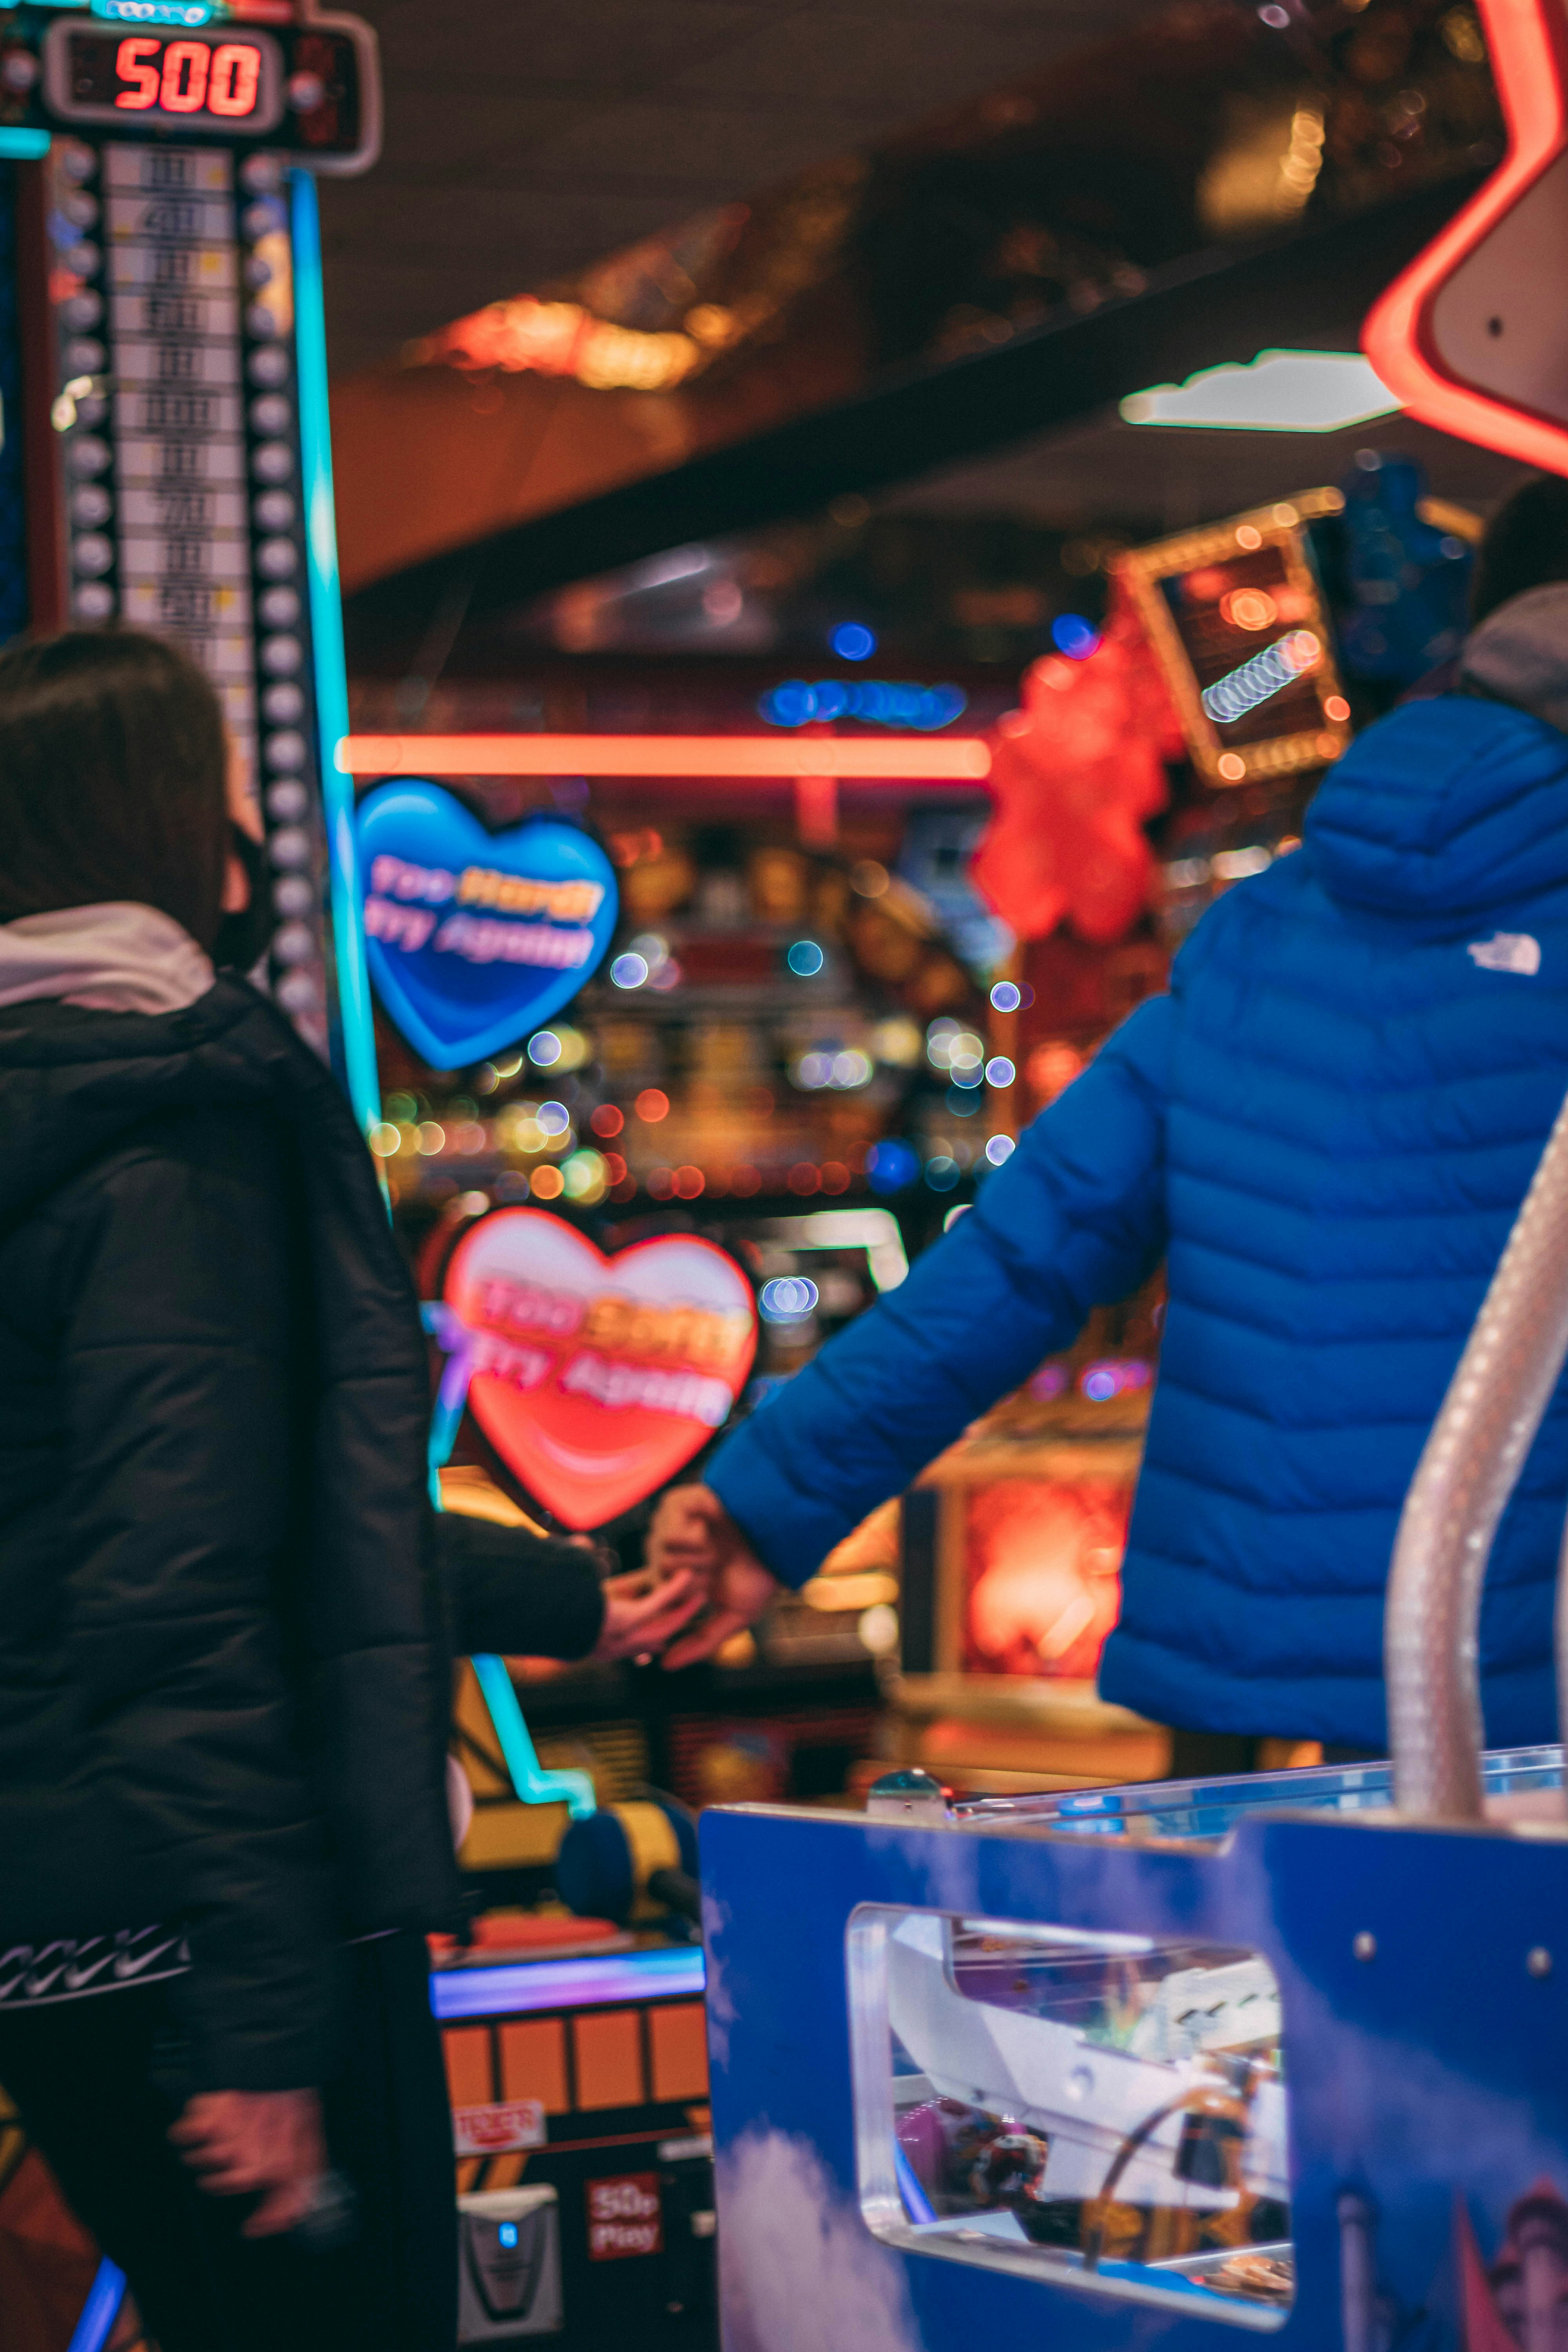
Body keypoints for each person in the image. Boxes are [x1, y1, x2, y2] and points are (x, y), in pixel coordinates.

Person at [0, 628, 702, 2352]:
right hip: (199, 1941)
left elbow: (210, 1510)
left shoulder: (60, 1097)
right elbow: (176, 1593)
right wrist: (254, 2019)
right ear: (149, 821)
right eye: (229, 786)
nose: (251, 831)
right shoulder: (163, 1116)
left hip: (74, 1916)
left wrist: (558, 1599)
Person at [650, 473, 1568, 1771]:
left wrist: (768, 1502)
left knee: (1248, 1978)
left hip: (1247, 1697)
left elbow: (1021, 1255)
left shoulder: (1268, 924)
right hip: (1528, 1688)